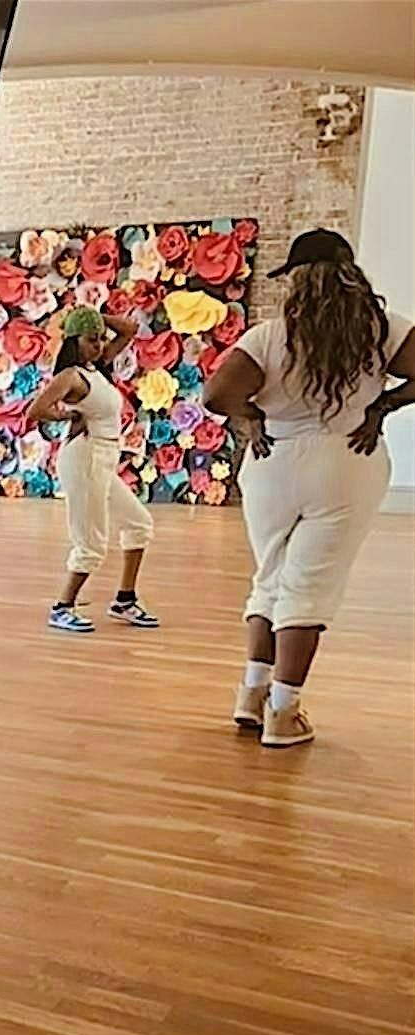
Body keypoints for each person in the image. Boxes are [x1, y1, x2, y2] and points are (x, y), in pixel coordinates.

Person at [205, 229, 413, 748]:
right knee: (309, 588)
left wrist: (251, 417)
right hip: (347, 461)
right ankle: (284, 712)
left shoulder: (268, 336)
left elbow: (216, 394)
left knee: (271, 578)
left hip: (270, 461)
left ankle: (251, 695)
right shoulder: (381, 329)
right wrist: (381, 406)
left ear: (297, 280)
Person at [26, 306, 159, 633]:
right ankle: (62, 607)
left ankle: (124, 600)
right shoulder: (72, 376)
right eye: (91, 339)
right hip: (85, 457)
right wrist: (68, 416)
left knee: (139, 524)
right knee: (91, 543)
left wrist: (96, 314)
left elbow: (128, 330)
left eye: (100, 338)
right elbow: (36, 410)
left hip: (104, 457)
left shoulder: (96, 369)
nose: (99, 345)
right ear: (74, 341)